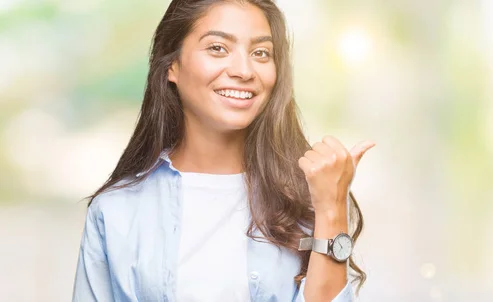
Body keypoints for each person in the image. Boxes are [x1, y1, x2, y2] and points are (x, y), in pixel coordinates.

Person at [72, 0, 374, 301]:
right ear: (172, 65)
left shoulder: (303, 199)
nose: (244, 71)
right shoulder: (115, 211)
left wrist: (331, 208)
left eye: (260, 53)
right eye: (217, 48)